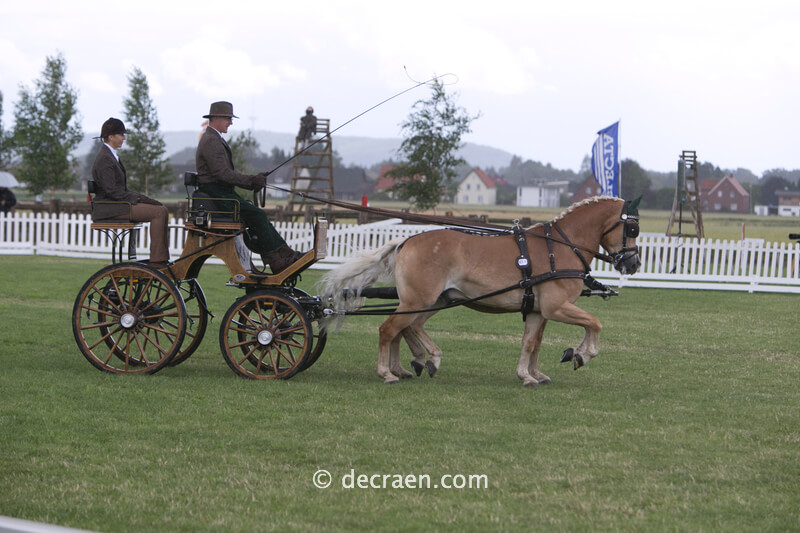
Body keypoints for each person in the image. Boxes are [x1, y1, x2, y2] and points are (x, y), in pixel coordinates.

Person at [195, 101, 303, 274]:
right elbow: (222, 173)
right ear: (216, 118)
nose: (231, 122)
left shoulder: (213, 139)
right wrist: (251, 181)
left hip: (220, 191)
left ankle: (283, 254)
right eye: (228, 118)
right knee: (257, 215)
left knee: (256, 215)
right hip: (216, 193)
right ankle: (276, 259)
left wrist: (252, 180)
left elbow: (224, 174)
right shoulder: (211, 141)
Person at [91, 118, 170, 269]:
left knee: (162, 209)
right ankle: (158, 261)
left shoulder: (111, 156)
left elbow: (119, 190)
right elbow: (112, 191)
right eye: (121, 135)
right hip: (111, 207)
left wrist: (144, 199)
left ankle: (162, 258)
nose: (124, 138)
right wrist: (138, 198)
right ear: (111, 137)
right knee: (159, 212)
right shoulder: (105, 159)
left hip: (118, 204)